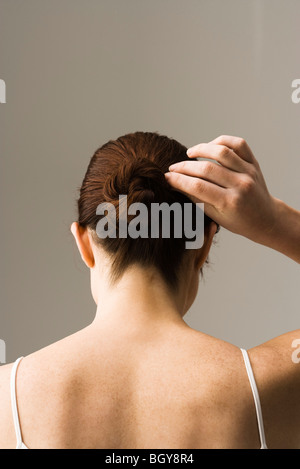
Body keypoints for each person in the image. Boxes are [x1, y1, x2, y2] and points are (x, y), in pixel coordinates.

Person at [0, 132, 299, 449]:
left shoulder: (7, 398)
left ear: (84, 243)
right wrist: (276, 222)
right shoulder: (268, 382)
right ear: (203, 245)